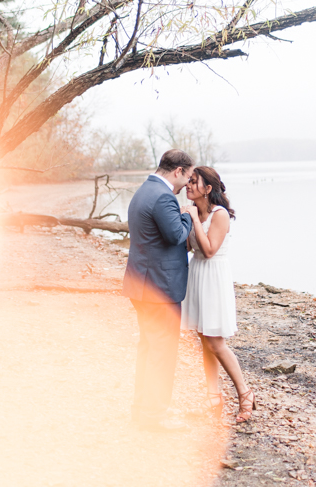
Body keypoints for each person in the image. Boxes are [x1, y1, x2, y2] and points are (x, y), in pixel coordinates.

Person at [122, 149, 194, 432]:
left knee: (149, 349)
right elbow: (176, 234)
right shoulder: (164, 197)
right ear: (178, 171)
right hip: (160, 289)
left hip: (141, 285)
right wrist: (187, 215)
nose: (187, 184)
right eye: (188, 177)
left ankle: (141, 409)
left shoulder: (144, 190)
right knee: (162, 352)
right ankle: (154, 416)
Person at [181, 166, 255, 423]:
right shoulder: (195, 211)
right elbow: (191, 246)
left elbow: (210, 249)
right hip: (198, 274)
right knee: (203, 340)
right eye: (188, 181)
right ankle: (213, 398)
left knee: (216, 342)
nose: (188, 185)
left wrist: (191, 219)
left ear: (208, 188)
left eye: (193, 182)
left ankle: (245, 393)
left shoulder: (219, 214)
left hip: (213, 277)